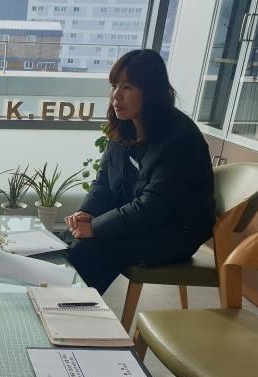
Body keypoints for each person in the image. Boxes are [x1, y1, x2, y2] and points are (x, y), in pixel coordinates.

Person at [66, 49, 215, 294]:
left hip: (173, 232)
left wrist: (96, 227)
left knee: (87, 251)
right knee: (65, 240)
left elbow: (153, 205)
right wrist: (87, 213)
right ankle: (59, 306)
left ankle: (74, 311)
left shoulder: (180, 138)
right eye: (114, 86)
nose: (116, 95)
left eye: (128, 87)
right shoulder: (124, 126)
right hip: (139, 222)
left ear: (152, 91)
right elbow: (104, 181)